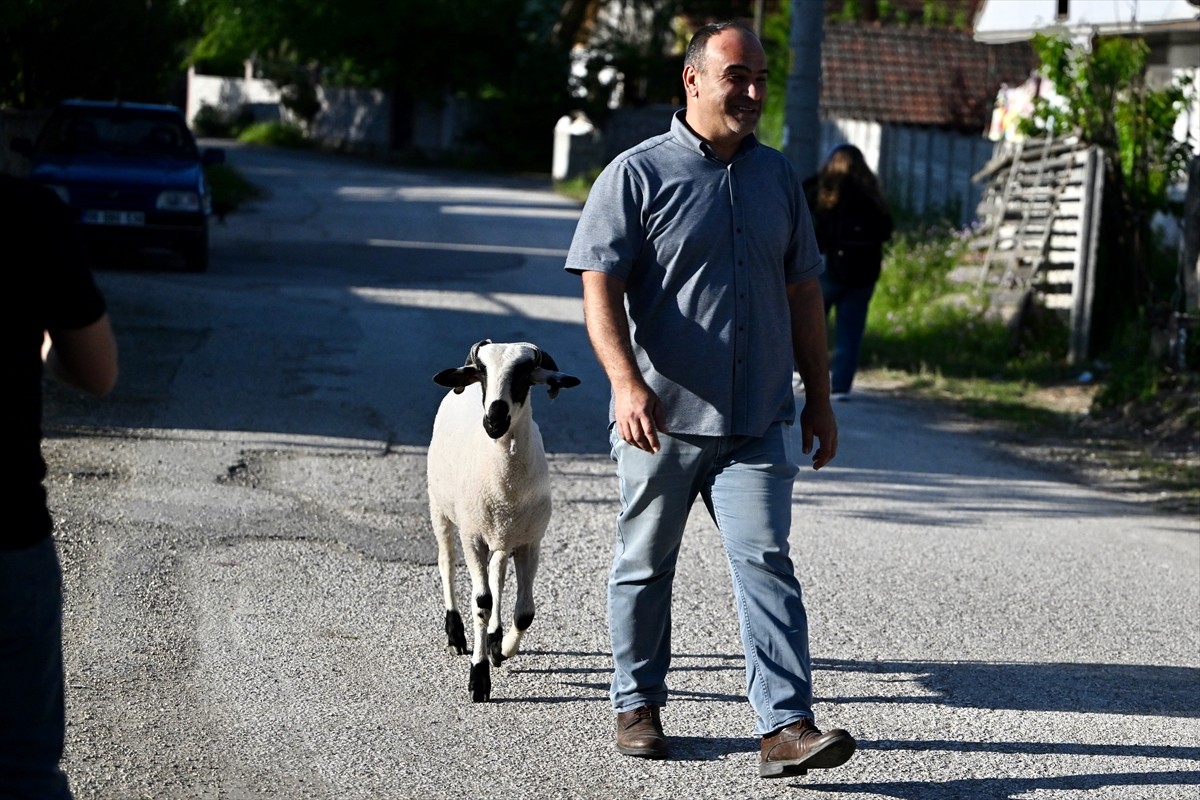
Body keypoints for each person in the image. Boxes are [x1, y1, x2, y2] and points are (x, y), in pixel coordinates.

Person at [564, 21, 856, 780]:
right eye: (737, 77)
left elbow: (804, 293)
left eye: (761, 78)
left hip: (758, 418)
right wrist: (625, 383)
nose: (753, 92)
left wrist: (819, 398)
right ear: (693, 79)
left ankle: (785, 727)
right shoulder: (634, 175)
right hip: (660, 421)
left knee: (766, 563)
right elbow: (599, 289)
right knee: (643, 563)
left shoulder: (777, 178)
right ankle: (637, 704)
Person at [3, 173, 118, 800]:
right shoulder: (27, 214)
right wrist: (43, 345)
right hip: (6, 537)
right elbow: (97, 371)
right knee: (20, 772)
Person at [803, 144, 894, 399]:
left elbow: (800, 208)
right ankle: (841, 386)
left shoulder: (824, 191)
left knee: (810, 326)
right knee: (850, 332)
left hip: (826, 269)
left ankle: (807, 376)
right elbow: (886, 230)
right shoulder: (872, 195)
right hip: (863, 274)